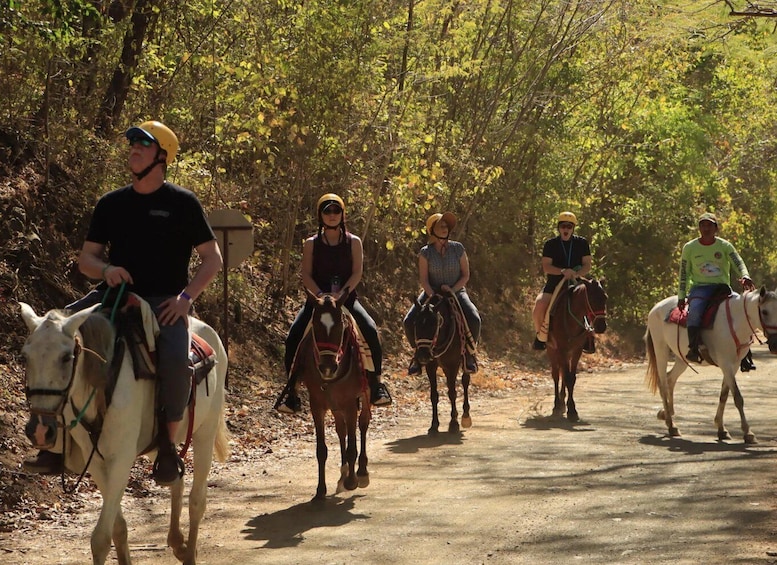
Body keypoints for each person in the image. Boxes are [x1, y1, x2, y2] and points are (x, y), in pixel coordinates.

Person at [22, 121, 223, 485]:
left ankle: (166, 445)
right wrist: (107, 268)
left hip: (164, 302)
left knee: (177, 361)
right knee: (55, 340)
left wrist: (185, 299)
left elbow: (212, 259)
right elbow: (87, 259)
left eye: (143, 143)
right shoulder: (111, 203)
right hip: (111, 297)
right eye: (131, 142)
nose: (133, 148)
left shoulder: (183, 203)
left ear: (162, 155)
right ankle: (53, 445)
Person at [274, 193, 392, 413]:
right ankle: (292, 392)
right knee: (293, 337)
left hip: (346, 300)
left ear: (342, 214)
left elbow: (357, 272)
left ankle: (376, 385)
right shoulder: (311, 243)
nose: (332, 215)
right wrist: (320, 295)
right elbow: (306, 274)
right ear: (320, 215)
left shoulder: (353, 242)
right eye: (327, 211)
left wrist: (342, 294)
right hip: (317, 302)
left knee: (370, 330)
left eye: (336, 210)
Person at [403, 212, 481, 375]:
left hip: (456, 292)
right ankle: (417, 356)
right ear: (433, 230)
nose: (445, 228)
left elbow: (466, 274)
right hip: (431, 293)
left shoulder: (458, 248)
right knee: (409, 320)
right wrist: (433, 294)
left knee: (474, 318)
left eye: (446, 226)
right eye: (441, 226)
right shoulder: (425, 252)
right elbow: (424, 279)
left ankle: (470, 355)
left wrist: (452, 291)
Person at [678, 212, 754, 363]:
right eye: (703, 225)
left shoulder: (724, 246)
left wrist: (745, 275)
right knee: (695, 313)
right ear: (699, 228)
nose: (706, 228)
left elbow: (738, 262)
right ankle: (694, 348)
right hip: (700, 289)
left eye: (709, 225)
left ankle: (745, 354)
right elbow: (683, 273)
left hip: (722, 288)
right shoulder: (690, 248)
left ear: (716, 228)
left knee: (743, 311)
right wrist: (681, 296)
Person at [532, 211, 593, 352]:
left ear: (573, 228)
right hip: (555, 283)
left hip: (576, 282)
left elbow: (587, 265)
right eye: (563, 226)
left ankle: (589, 338)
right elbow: (546, 266)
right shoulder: (550, 244)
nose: (566, 229)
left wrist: (576, 274)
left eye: (569, 226)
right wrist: (562, 271)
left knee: (593, 304)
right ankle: (541, 338)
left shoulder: (582, 243)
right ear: (559, 228)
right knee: (540, 306)